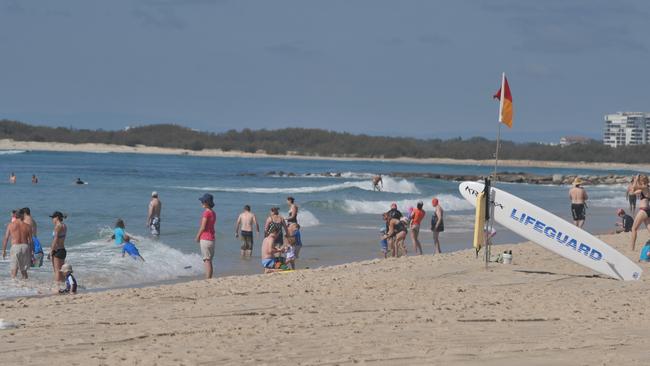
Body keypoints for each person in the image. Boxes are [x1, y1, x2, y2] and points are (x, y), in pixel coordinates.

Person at [2, 210, 33, 279]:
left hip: (15, 247)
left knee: (14, 270)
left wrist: (3, 250)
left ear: (15, 216)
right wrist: (32, 252)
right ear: (22, 216)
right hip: (25, 247)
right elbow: (31, 241)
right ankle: (26, 287)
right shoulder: (28, 226)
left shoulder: (11, 225)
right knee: (24, 270)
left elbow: (6, 238)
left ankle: (14, 287)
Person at [195, 193, 216, 279]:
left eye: (203, 201)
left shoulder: (206, 213)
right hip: (212, 239)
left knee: (207, 260)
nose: (202, 203)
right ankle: (209, 278)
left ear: (207, 202)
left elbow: (203, 227)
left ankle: (208, 279)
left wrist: (197, 236)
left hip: (205, 239)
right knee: (209, 260)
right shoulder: (213, 213)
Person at [630, 174, 650, 251]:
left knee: (634, 228)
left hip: (643, 210)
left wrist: (635, 180)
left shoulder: (644, 187)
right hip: (647, 210)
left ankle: (632, 248)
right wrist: (635, 183)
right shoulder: (646, 188)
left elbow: (634, 187)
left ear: (642, 181)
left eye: (639, 180)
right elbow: (632, 192)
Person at [49, 211, 67, 283]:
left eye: (53, 218)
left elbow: (55, 239)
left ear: (56, 218)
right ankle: (63, 285)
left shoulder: (57, 227)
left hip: (57, 250)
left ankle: (57, 286)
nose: (52, 220)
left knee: (56, 271)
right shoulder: (64, 226)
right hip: (62, 249)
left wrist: (51, 251)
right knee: (61, 270)